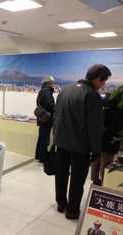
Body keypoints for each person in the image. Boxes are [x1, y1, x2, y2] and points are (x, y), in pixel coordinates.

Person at [53, 64, 111, 220]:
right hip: (80, 147)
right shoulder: (92, 95)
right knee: (77, 180)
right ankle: (72, 211)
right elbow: (95, 127)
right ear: (98, 79)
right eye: (103, 81)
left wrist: (55, 139)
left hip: (61, 143)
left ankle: (61, 204)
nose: (103, 85)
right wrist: (96, 150)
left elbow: (56, 116)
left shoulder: (65, 90)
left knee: (61, 175)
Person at [91, 86, 123, 185]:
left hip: (99, 136)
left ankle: (95, 181)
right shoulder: (119, 108)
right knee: (107, 161)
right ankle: (105, 183)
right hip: (112, 137)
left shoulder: (102, 102)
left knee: (97, 159)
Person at [35, 76, 55, 163]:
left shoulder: (42, 90)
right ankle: (43, 157)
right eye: (52, 83)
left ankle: (39, 155)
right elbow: (50, 105)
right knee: (45, 139)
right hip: (46, 119)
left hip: (42, 118)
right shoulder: (47, 91)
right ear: (49, 83)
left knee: (41, 137)